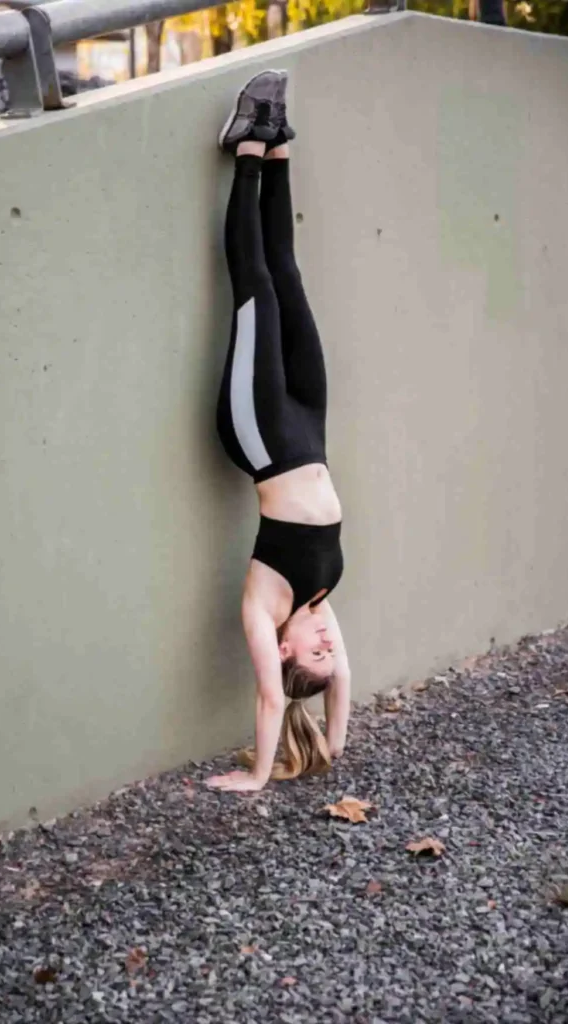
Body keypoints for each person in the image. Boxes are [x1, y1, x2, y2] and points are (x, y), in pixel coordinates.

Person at [206, 70, 351, 793]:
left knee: (255, 286)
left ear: (286, 649)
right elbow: (338, 687)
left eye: (314, 654)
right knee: (290, 278)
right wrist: (330, 737)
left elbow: (271, 696)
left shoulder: (264, 612)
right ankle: (278, 143)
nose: (328, 645)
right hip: (309, 429)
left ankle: (243, 150)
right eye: (330, 652)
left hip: (259, 435)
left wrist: (260, 776)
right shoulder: (320, 601)